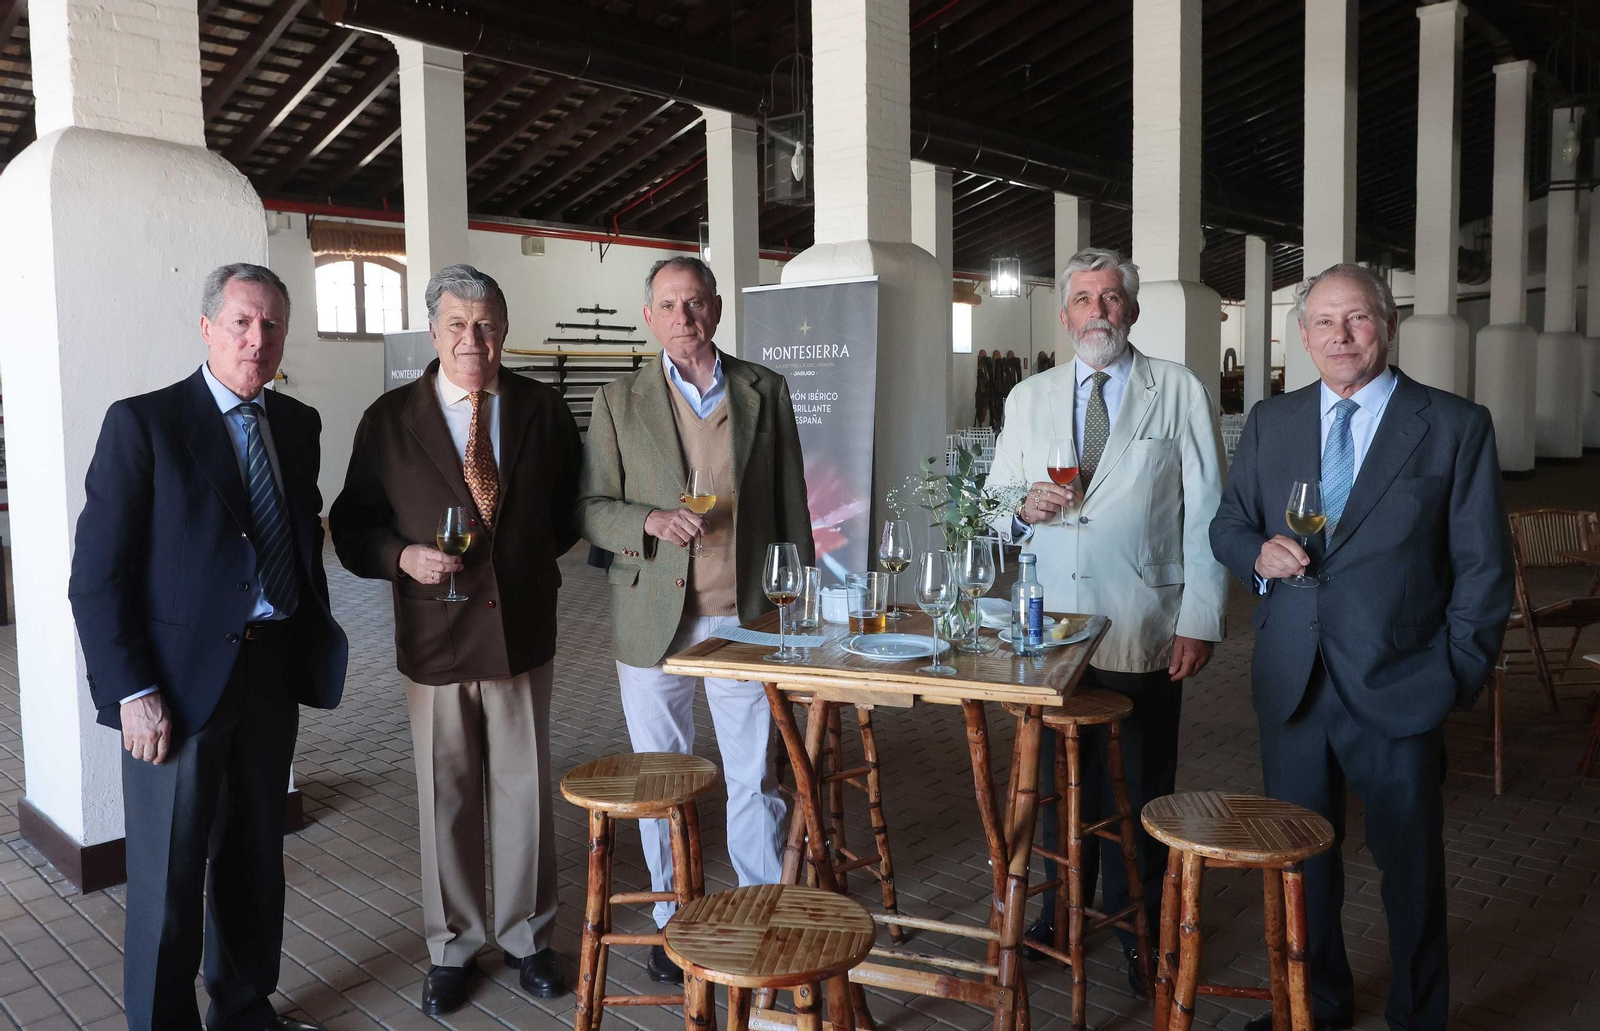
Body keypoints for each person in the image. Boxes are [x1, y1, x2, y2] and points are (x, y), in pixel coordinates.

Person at [1210, 263, 1512, 1031]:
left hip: (1403, 682)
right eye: (1323, 323)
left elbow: (1483, 566)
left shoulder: (1452, 424)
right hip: (1294, 679)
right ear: (1303, 335)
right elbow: (1228, 522)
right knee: (1302, 866)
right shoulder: (1273, 421)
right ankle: (1317, 1003)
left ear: (1388, 324)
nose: (1340, 337)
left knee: (1410, 868)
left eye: (1358, 320)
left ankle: (1418, 1015)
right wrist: (1256, 553)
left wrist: (1455, 675)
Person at [68, 264, 348, 1031]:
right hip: (174, 691)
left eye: (272, 326)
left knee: (256, 859)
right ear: (207, 328)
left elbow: (295, 527)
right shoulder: (145, 423)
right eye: (241, 323)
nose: (257, 340)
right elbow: (96, 577)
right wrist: (131, 690)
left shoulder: (297, 425)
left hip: (269, 668)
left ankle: (245, 1007)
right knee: (167, 873)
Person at [330, 264, 580, 1014]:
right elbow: (350, 526)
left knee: (523, 791)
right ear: (433, 331)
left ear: (504, 330)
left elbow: (567, 513)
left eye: (488, 324)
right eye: (458, 325)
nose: (475, 339)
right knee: (448, 796)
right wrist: (401, 557)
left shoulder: (542, 408)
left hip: (520, 630)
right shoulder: (388, 419)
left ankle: (529, 936)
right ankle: (453, 945)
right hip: (435, 635)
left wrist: (522, 565)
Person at [989, 247, 1228, 997]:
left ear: (1131, 309)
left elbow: (1209, 512)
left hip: (1143, 618)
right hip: (1049, 625)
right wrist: (1020, 505)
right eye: (1085, 298)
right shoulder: (1029, 396)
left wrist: (1201, 617)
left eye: (1112, 296)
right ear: (1064, 317)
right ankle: (1059, 915)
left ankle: (1138, 926)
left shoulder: (1179, 389)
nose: (1099, 309)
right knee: (1058, 784)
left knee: (1138, 788)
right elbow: (997, 499)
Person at [576, 255, 814, 983]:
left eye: (696, 303)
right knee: (660, 778)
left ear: (715, 308)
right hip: (654, 614)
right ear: (649, 316)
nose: (685, 318)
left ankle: (756, 906)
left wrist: (795, 597)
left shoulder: (762, 389)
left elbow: (792, 500)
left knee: (753, 774)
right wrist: (647, 517)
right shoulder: (617, 400)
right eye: (669, 306)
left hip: (743, 617)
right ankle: (671, 918)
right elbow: (589, 508)